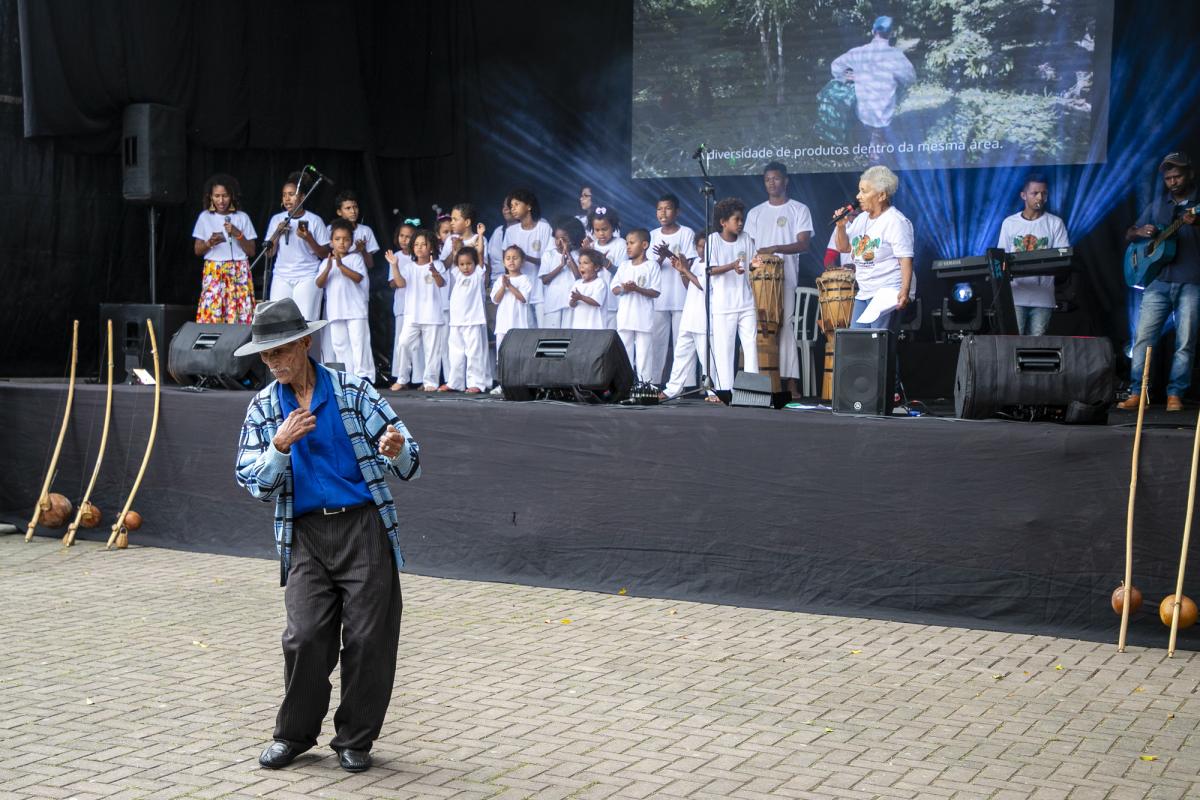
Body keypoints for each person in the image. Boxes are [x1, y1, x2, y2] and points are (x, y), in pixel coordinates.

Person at [233, 297, 420, 775]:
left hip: (363, 528)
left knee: (369, 639)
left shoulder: (353, 391)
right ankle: (293, 735)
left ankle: (355, 739)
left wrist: (396, 449)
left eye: (280, 351)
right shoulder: (263, 407)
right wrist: (279, 447)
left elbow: (410, 460)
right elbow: (253, 482)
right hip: (306, 535)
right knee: (304, 637)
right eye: (266, 354)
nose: (273, 362)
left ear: (305, 343)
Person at [1118, 152, 1200, 412]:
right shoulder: (1157, 204)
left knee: (1185, 342)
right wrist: (1141, 231)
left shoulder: (1197, 204)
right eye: (1168, 178)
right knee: (1143, 339)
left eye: (1177, 176)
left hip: (1191, 280)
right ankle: (1137, 392)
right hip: (1157, 282)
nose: (1173, 182)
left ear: (1190, 175)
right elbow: (1130, 233)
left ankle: (1175, 394)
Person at [833, 165, 914, 394]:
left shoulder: (896, 221)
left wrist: (904, 292)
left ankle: (890, 393)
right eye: (859, 190)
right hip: (866, 290)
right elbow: (844, 247)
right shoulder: (861, 220)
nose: (858, 196)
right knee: (856, 341)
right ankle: (864, 393)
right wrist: (841, 227)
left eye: (864, 191)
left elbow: (906, 259)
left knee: (879, 344)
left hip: (888, 290)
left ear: (881, 195)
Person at [744, 162, 814, 396]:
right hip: (759, 281)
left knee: (785, 328)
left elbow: (804, 244)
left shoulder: (799, 209)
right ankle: (762, 381)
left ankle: (790, 382)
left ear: (786, 180)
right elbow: (749, 247)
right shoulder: (755, 213)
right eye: (767, 179)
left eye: (775, 178)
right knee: (760, 329)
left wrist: (774, 248)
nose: (771, 183)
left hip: (786, 279)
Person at [830, 16, 915, 159]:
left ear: (873, 31)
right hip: (884, 113)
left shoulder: (858, 52)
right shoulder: (896, 56)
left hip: (863, 112)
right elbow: (911, 78)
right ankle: (875, 153)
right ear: (891, 33)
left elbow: (835, 66)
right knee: (879, 131)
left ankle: (870, 147)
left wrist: (846, 77)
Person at [996, 174, 1070, 336]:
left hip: (1043, 298)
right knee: (1014, 343)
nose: (1040, 197)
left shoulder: (1055, 223)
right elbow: (1001, 259)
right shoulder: (1010, 223)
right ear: (1023, 195)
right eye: (1035, 193)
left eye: (1044, 193)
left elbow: (1063, 259)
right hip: (1016, 297)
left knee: (1037, 344)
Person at [264, 173, 331, 324]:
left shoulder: (314, 220)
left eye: (291, 194)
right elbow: (269, 253)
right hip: (281, 276)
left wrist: (309, 238)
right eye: (284, 195)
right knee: (278, 321)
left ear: (302, 197)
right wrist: (277, 232)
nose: (287, 199)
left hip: (307, 276)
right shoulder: (277, 219)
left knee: (305, 322)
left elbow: (325, 254)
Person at [707, 198, 759, 391]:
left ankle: (753, 390)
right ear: (723, 222)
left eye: (742, 219)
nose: (740, 223)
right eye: (736, 219)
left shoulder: (745, 238)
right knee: (725, 351)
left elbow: (751, 264)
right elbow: (710, 270)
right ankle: (725, 390)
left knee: (751, 347)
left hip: (746, 303)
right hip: (723, 305)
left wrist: (754, 265)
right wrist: (731, 266)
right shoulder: (713, 240)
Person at [192, 174, 258, 324]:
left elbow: (251, 251)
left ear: (232, 196)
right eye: (217, 196)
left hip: (238, 270)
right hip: (214, 270)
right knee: (213, 316)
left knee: (239, 316)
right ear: (210, 197)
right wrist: (210, 242)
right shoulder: (205, 217)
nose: (221, 201)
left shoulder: (242, 217)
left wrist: (237, 233)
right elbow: (197, 250)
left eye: (225, 196)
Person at [387, 229, 447, 391]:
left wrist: (434, 272)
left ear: (431, 247)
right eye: (416, 245)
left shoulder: (438, 265)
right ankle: (402, 378)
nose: (419, 247)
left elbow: (441, 283)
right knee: (403, 344)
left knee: (432, 351)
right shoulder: (409, 267)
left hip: (432, 315)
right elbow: (400, 283)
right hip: (412, 315)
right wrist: (394, 265)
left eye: (423, 244)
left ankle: (430, 382)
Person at [316, 219, 373, 383]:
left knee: (359, 343)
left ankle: (364, 375)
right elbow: (319, 283)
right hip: (336, 310)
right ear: (331, 242)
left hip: (356, 309)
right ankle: (349, 377)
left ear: (351, 242)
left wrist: (340, 265)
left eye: (346, 239)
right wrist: (328, 268)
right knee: (340, 344)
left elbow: (358, 277)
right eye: (338, 239)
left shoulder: (355, 259)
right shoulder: (326, 262)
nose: (342, 243)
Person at [648, 194, 698, 385]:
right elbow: (649, 268)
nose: (663, 213)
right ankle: (653, 382)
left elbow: (688, 264)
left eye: (668, 208)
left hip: (681, 297)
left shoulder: (686, 233)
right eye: (659, 209)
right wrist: (661, 257)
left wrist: (669, 253)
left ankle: (685, 384)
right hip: (659, 298)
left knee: (682, 343)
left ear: (677, 212)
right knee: (656, 343)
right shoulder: (653, 235)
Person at [660, 237, 715, 402]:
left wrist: (685, 269)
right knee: (681, 354)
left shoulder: (714, 265)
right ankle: (672, 390)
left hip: (704, 317)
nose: (702, 249)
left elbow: (702, 285)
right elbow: (688, 285)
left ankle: (714, 392)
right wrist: (682, 271)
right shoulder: (695, 262)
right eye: (699, 246)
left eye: (705, 246)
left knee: (707, 358)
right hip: (689, 314)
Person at [612, 229, 662, 383]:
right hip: (625, 317)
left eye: (632, 243)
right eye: (627, 243)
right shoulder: (624, 266)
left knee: (644, 354)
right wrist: (624, 289)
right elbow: (614, 289)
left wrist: (637, 289)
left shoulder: (652, 265)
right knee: (624, 353)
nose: (628, 246)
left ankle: (644, 385)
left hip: (643, 318)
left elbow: (655, 292)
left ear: (644, 245)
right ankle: (625, 385)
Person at [441, 246, 489, 393]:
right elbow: (455, 257)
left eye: (469, 263)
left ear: (475, 263)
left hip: (472, 321)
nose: (465, 267)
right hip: (456, 321)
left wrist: (479, 237)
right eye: (462, 264)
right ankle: (455, 382)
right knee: (455, 353)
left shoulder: (478, 275)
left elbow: (480, 255)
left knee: (474, 353)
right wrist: (455, 248)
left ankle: (476, 383)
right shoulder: (457, 275)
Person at [503, 189, 553, 325]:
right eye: (511, 206)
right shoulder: (510, 231)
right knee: (524, 330)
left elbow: (549, 261)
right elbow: (506, 262)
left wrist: (525, 257)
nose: (512, 209)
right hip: (519, 291)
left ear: (529, 206)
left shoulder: (544, 228)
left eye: (517, 204)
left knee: (544, 329)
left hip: (541, 291)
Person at [387, 221, 422, 390]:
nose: (404, 239)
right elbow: (392, 283)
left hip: (419, 307)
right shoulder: (396, 256)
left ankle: (419, 378)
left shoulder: (419, 257)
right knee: (401, 342)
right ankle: (400, 376)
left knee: (418, 344)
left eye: (408, 236)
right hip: (402, 306)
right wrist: (399, 276)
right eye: (402, 235)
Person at [539, 217, 585, 328]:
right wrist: (560, 266)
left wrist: (568, 255)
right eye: (557, 238)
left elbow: (579, 278)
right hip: (553, 303)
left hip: (571, 304)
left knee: (569, 335)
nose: (560, 243)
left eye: (564, 239)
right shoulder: (549, 255)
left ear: (572, 238)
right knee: (551, 335)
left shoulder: (578, 255)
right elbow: (544, 280)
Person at [492, 245, 533, 359]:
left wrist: (509, 286)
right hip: (502, 325)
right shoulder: (500, 280)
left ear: (522, 261)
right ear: (504, 262)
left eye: (515, 258)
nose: (511, 261)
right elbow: (495, 300)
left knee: (519, 354)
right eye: (508, 258)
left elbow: (523, 298)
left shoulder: (525, 279)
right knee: (502, 355)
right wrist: (503, 286)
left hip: (519, 324)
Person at [588, 206, 626, 329]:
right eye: (597, 230)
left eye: (605, 229)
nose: (601, 233)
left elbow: (622, 274)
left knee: (611, 335)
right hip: (595, 301)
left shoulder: (620, 244)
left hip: (613, 302)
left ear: (613, 227)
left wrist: (605, 263)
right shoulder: (592, 246)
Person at [333, 190, 380, 270]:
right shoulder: (332, 230)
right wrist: (356, 250)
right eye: (348, 208)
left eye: (355, 207)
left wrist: (363, 250)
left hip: (360, 274)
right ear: (339, 212)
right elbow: (331, 258)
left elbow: (370, 265)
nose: (353, 211)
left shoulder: (366, 230)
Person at [568, 250, 609, 330]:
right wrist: (573, 300)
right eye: (580, 263)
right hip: (578, 327)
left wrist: (580, 297)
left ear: (596, 267)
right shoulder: (577, 283)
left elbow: (597, 302)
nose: (581, 266)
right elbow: (571, 304)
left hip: (595, 328)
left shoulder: (600, 283)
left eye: (585, 263)